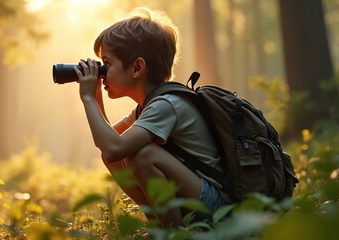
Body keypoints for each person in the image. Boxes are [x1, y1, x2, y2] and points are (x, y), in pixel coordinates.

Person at [73, 7, 229, 227]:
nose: (101, 72)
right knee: (117, 156)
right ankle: (158, 224)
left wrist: (88, 99)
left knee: (142, 155)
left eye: (106, 64)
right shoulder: (148, 106)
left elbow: (114, 146)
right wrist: (97, 98)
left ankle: (171, 233)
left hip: (221, 209)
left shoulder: (166, 105)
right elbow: (110, 146)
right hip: (200, 200)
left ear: (137, 67)